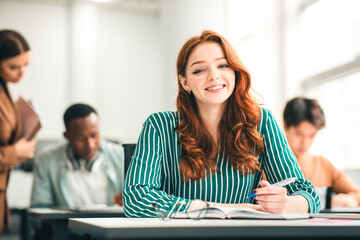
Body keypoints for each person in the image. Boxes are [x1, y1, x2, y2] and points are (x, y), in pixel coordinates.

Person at [123, 30, 320, 218]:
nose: (213, 76)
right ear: (185, 82)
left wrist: (286, 204)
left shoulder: (262, 121)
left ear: (234, 71)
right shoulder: (159, 126)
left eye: (223, 66)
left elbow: (308, 196)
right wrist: (210, 208)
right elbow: (135, 199)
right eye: (199, 70)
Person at [31, 103, 124, 208]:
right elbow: (39, 211)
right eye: (81, 138)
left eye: (94, 135)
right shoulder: (46, 160)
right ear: (67, 136)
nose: (90, 145)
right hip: (66, 224)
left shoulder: (122, 156)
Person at [283, 97, 360, 207]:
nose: (305, 142)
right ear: (285, 126)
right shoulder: (264, 164)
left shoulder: (323, 165)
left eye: (312, 135)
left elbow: (357, 193)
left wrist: (351, 199)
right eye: (299, 133)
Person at [0, 29, 36, 235]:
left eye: (26, 65)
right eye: (14, 66)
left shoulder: (5, 86)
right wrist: (16, 152)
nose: (22, 72)